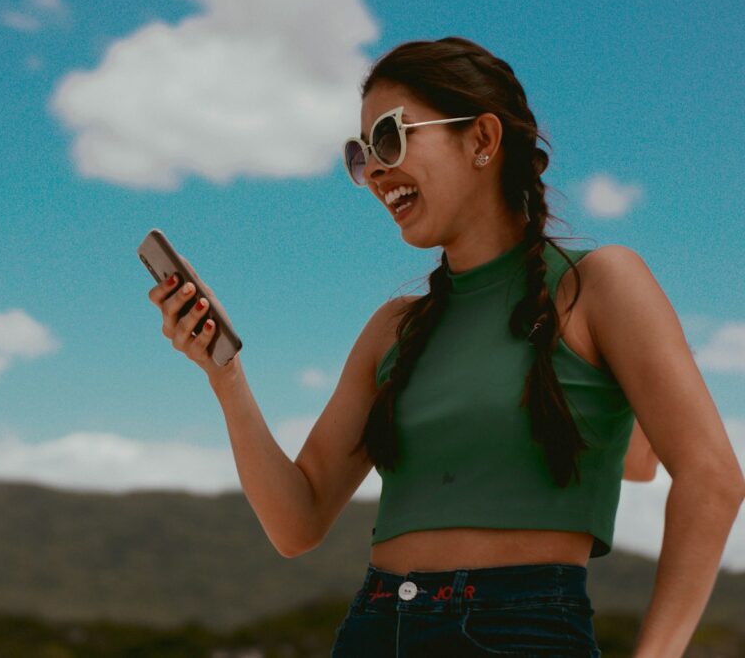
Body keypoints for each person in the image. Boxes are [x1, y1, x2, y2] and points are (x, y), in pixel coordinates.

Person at [147, 36, 744, 657]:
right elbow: (296, 522)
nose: (374, 170)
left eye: (388, 138)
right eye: (360, 155)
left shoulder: (599, 285)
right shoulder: (394, 329)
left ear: (483, 140)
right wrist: (225, 373)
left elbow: (712, 477)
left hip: (522, 631)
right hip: (374, 627)